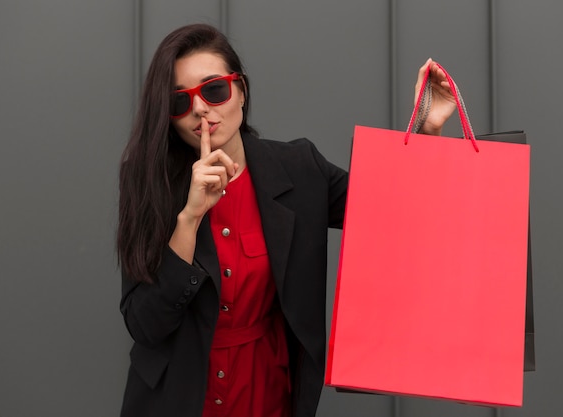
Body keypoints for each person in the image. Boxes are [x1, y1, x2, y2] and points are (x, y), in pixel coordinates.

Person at [117, 23, 456, 417]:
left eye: (214, 90)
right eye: (180, 101)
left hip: (268, 390)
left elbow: (392, 212)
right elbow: (146, 326)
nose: (199, 109)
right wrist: (190, 217)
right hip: (177, 396)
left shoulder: (300, 169)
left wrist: (428, 128)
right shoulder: (147, 181)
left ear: (241, 91)